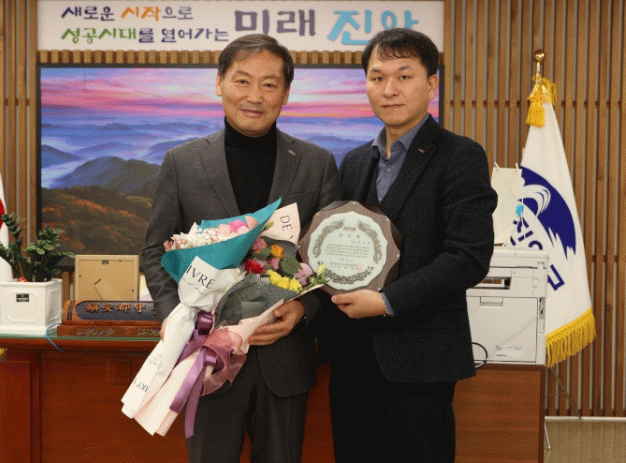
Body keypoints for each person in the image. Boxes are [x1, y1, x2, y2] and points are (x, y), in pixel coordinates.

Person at [142, 34, 340, 463]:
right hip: (206, 354)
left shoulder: (317, 163)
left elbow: (330, 258)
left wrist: (304, 311)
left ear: (285, 93)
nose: (255, 96)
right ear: (219, 83)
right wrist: (172, 319)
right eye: (242, 80)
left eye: (269, 85)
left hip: (284, 358)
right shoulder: (182, 162)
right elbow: (155, 251)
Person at [329, 28, 497, 462]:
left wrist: (386, 301)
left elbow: (468, 257)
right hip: (350, 360)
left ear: (431, 84)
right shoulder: (355, 162)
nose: (389, 89)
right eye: (377, 77)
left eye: (404, 76)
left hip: (420, 360)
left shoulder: (460, 156)